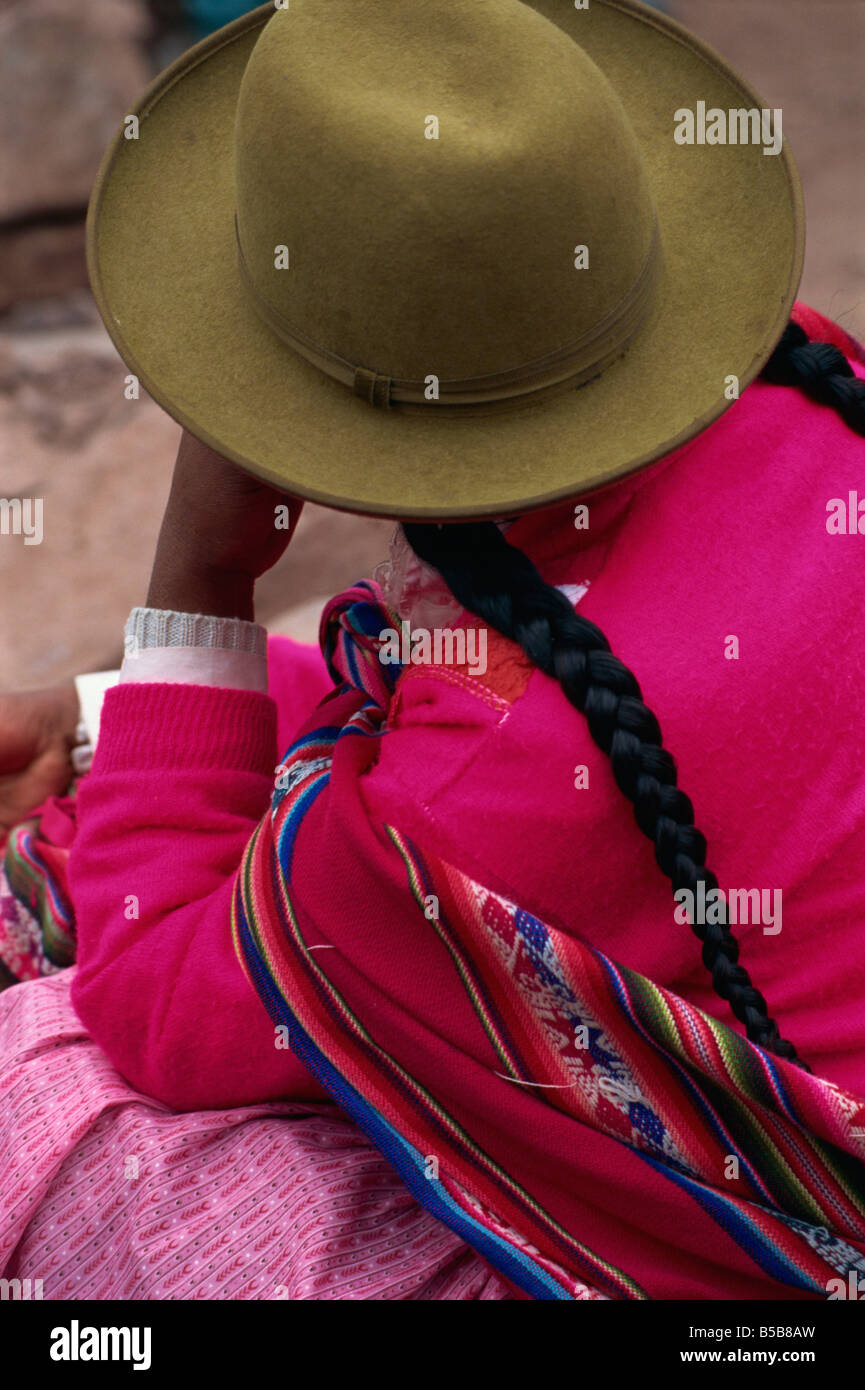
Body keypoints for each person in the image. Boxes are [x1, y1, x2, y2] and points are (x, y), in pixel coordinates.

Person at [2, 0, 865, 1300]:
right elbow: (440, 695)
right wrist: (97, 711)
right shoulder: (800, 372)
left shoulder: (479, 784)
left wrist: (199, 581)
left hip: (796, 1257)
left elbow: (154, 988)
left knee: (36, 1087)